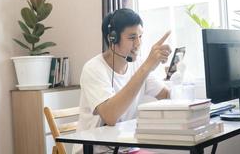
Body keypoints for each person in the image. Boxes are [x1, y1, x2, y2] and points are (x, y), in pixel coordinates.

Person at [74, 8, 172, 154]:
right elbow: (110, 116)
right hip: (95, 151)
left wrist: (175, 75)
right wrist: (146, 67)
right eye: (132, 37)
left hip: (127, 149)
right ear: (112, 38)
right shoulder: (93, 68)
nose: (138, 43)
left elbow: (166, 96)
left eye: (140, 36)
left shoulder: (138, 66)